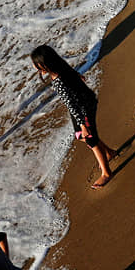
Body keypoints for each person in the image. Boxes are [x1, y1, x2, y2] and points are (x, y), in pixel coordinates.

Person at [30, 45, 116, 188]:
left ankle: (107, 173)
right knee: (81, 136)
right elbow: (71, 77)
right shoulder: (61, 68)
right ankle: (109, 152)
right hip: (85, 103)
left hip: (83, 109)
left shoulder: (59, 82)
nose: (34, 67)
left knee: (90, 139)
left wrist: (83, 124)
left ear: (46, 64)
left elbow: (72, 105)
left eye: (36, 64)